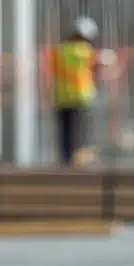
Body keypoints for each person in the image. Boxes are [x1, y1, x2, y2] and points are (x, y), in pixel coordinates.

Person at [52, 17, 99, 165]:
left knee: (66, 132)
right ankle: (82, 158)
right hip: (81, 97)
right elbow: (98, 63)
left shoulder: (60, 51)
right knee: (82, 132)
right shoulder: (85, 51)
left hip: (62, 98)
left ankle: (67, 159)